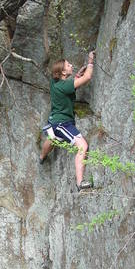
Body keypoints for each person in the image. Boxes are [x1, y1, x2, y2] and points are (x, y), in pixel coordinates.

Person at [40, 50, 95, 191]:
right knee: (82, 146)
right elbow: (88, 77)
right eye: (68, 65)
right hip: (63, 124)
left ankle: (41, 157)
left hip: (53, 121)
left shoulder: (54, 82)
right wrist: (90, 62)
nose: (71, 65)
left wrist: (76, 76)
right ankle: (80, 183)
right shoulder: (65, 86)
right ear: (63, 73)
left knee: (52, 139)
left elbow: (69, 85)